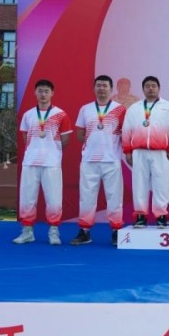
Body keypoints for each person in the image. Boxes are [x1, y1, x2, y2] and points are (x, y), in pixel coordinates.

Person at [13, 79, 72, 245]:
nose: (43, 94)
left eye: (46, 91)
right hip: (30, 161)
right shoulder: (28, 115)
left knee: (54, 199)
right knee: (27, 198)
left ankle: (53, 232)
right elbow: (25, 136)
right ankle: (27, 232)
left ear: (52, 93)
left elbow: (65, 139)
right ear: (35, 93)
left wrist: (51, 150)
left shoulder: (61, 114)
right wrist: (36, 149)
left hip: (51, 162)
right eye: (40, 91)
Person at [70, 75, 126, 246]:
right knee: (86, 197)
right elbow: (80, 134)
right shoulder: (85, 109)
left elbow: (125, 133)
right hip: (89, 160)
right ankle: (85, 231)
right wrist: (93, 143)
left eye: (105, 86)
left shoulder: (120, 109)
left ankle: (116, 231)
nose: (101, 88)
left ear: (111, 89)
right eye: (98, 85)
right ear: (94, 88)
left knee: (114, 197)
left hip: (111, 159)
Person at [122, 76, 169, 229]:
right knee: (139, 184)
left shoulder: (168, 107)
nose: (151, 88)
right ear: (143, 89)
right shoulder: (134, 108)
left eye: (154, 86)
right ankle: (140, 215)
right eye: (147, 86)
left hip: (160, 152)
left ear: (159, 88)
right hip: (138, 152)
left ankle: (161, 215)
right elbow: (126, 130)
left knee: (162, 184)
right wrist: (127, 151)